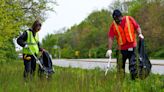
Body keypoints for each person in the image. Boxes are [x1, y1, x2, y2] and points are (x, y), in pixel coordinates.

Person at [106, 9, 144, 80]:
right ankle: (121, 83)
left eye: (118, 19)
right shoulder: (113, 25)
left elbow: (137, 27)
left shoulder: (129, 19)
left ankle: (134, 82)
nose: (117, 21)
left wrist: (140, 34)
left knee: (134, 67)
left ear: (121, 16)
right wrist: (109, 49)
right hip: (121, 50)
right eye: (115, 20)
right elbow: (110, 37)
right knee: (120, 68)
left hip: (133, 48)